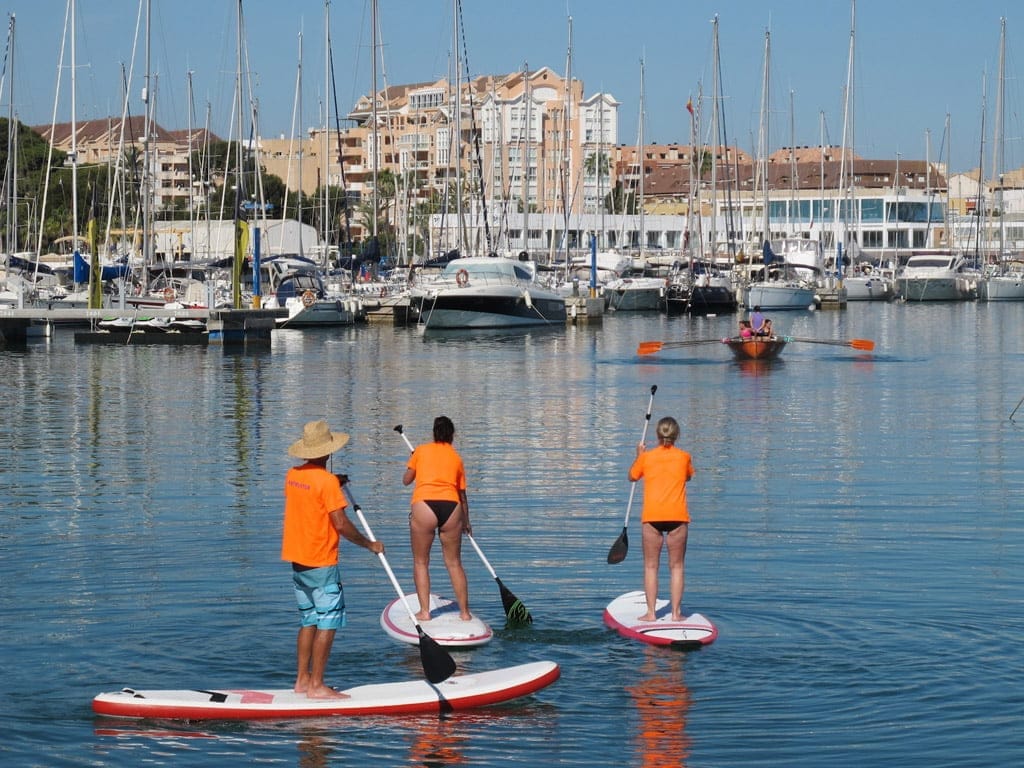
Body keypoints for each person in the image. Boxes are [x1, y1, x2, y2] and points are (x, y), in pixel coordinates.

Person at [281, 420, 384, 699]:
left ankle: (302, 680)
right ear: (328, 451)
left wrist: (333, 482)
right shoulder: (326, 483)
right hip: (321, 562)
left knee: (308, 620)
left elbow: (311, 488)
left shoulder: (293, 475)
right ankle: (317, 686)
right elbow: (340, 523)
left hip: (298, 561)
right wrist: (369, 544)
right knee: (328, 622)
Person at [403, 415, 472, 622]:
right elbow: (462, 495)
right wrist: (466, 522)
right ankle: (465, 613)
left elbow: (406, 480)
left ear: (434, 433)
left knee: (421, 562)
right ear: (452, 435)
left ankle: (425, 612)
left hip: (425, 506)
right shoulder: (456, 458)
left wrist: (413, 461)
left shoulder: (421, 451)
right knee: (454, 563)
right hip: (452, 508)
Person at [628, 416, 696, 622]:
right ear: (677, 435)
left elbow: (632, 475)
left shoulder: (647, 458)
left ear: (658, 435)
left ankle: (651, 613)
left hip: (653, 517)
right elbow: (688, 476)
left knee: (651, 566)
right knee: (677, 567)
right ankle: (676, 614)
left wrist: (639, 455)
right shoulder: (684, 457)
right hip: (677, 517)